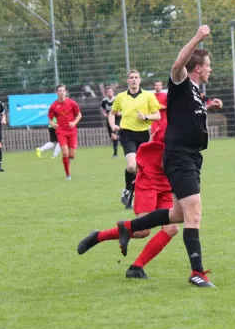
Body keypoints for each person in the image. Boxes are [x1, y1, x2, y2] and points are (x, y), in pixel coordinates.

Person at [113, 25, 223, 288]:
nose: (210, 69)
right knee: (194, 213)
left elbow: (186, 118)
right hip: (179, 157)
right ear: (197, 68)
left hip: (191, 157)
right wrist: (197, 38)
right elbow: (177, 65)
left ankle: (127, 226)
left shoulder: (196, 93)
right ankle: (197, 272)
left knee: (176, 214)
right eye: (207, 65)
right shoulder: (182, 82)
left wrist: (209, 106)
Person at [77, 119, 179, 279]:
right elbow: (155, 147)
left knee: (171, 228)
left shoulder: (190, 120)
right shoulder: (172, 123)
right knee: (142, 231)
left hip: (167, 183)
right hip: (150, 179)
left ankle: (136, 267)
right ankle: (98, 236)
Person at [108, 70, 161, 209]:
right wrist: (113, 125)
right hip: (127, 134)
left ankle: (132, 197)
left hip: (143, 135)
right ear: (127, 81)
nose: (133, 80)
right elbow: (112, 113)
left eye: (136, 77)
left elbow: (158, 115)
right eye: (131, 78)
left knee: (140, 169)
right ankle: (127, 189)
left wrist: (146, 117)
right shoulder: (121, 97)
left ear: (140, 80)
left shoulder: (148, 96)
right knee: (132, 166)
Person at [48, 84, 82, 180]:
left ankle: (67, 160)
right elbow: (50, 119)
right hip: (61, 131)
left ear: (65, 92)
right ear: (56, 93)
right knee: (65, 152)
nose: (61, 92)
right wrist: (53, 124)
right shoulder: (54, 106)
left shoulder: (71, 103)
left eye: (63, 91)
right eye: (59, 91)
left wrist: (74, 122)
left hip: (72, 131)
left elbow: (79, 115)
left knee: (72, 155)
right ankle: (68, 174)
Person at [101, 86, 121, 158]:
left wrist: (119, 112)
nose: (109, 93)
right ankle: (119, 137)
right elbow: (103, 109)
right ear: (106, 93)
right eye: (108, 92)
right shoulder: (104, 101)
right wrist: (105, 114)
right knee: (112, 138)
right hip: (109, 120)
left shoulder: (116, 99)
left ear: (113, 92)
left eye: (111, 91)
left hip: (117, 119)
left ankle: (115, 154)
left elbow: (122, 109)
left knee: (114, 136)